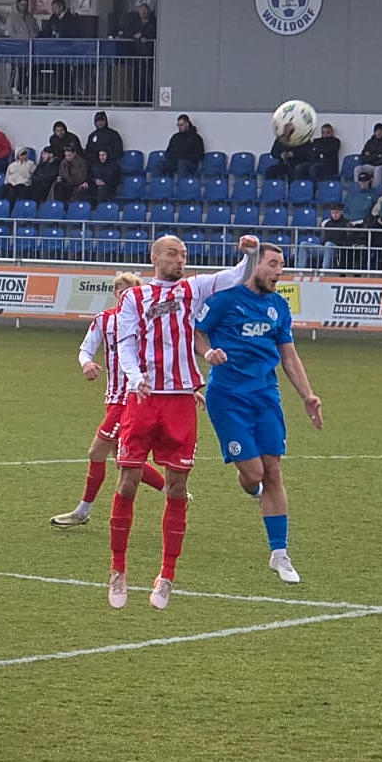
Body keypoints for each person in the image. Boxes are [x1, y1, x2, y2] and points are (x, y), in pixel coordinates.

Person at [107, 234, 253, 611]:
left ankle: (167, 574)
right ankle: (118, 569)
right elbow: (125, 343)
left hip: (180, 400)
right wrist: (134, 376)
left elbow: (236, 276)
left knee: (176, 487)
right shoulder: (134, 298)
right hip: (143, 399)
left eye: (184, 254)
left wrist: (251, 254)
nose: (180, 260)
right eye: (173, 254)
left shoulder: (193, 288)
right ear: (155, 258)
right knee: (127, 481)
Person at [194, 243, 322, 585]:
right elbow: (196, 332)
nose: (279, 272)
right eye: (273, 264)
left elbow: (289, 355)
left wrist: (308, 395)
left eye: (282, 266)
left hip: (266, 396)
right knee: (253, 473)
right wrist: (208, 353)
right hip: (228, 398)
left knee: (273, 471)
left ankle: (279, 554)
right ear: (255, 266)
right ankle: (252, 489)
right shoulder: (224, 300)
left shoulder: (279, 306)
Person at [50, 272, 170, 528]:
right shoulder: (104, 320)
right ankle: (174, 491)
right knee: (122, 459)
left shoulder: (147, 322)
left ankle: (83, 511)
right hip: (112, 398)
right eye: (121, 291)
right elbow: (85, 349)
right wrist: (86, 363)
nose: (124, 295)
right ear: (116, 294)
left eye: (130, 291)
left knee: (96, 451)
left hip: (131, 400)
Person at [4, 0, 38, 98]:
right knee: (16, 71)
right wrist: (21, 39)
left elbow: (36, 30)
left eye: (26, 5)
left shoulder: (30, 17)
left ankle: (27, 92)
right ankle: (14, 92)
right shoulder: (12, 17)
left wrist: (33, 37)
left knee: (29, 71)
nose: (24, 7)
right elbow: (10, 33)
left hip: (30, 48)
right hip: (17, 48)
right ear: (18, 5)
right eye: (22, 4)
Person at [123, 3, 156, 103]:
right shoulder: (134, 24)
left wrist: (146, 38)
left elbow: (154, 34)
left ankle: (150, 98)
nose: (143, 12)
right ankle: (137, 99)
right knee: (137, 77)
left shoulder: (152, 24)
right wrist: (135, 36)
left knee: (149, 77)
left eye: (145, 10)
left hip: (149, 55)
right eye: (141, 10)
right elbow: (128, 34)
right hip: (136, 55)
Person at [161, 114, 204, 178]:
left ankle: (182, 183)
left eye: (181, 125)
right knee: (159, 164)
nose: (179, 127)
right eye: (178, 125)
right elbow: (168, 151)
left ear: (187, 124)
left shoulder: (196, 138)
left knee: (182, 163)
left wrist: (185, 157)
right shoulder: (175, 137)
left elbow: (200, 154)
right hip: (175, 161)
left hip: (190, 162)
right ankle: (161, 182)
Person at [355, 123, 382, 189]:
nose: (379, 133)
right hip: (371, 165)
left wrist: (371, 156)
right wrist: (376, 156)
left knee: (377, 169)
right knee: (357, 169)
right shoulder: (370, 142)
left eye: (381, 131)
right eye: (377, 131)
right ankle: (357, 188)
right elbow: (363, 156)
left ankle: (376, 190)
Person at [316, 202, 353, 269]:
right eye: (332, 213)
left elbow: (348, 239)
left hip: (337, 249)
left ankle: (324, 270)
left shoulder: (346, 223)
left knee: (329, 244)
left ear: (341, 212)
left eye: (336, 213)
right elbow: (323, 239)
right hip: (325, 247)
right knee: (304, 244)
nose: (334, 215)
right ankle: (300, 271)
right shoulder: (327, 223)